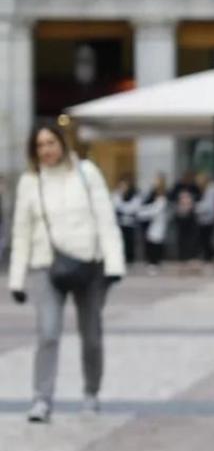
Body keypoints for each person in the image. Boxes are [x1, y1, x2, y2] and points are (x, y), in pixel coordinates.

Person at [8, 123, 127, 422]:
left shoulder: (87, 173)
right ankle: (41, 399)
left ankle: (91, 393)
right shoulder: (30, 182)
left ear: (62, 142)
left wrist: (114, 265)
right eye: (40, 145)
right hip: (45, 264)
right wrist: (16, 279)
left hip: (89, 264)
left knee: (91, 336)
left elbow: (105, 220)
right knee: (47, 332)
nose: (46, 150)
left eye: (51, 142)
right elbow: (21, 232)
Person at [136, 174, 169, 276]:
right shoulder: (153, 195)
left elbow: (154, 210)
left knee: (155, 243)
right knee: (152, 242)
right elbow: (149, 206)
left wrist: (141, 213)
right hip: (152, 225)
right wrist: (142, 211)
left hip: (157, 224)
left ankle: (155, 263)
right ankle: (153, 263)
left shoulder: (162, 199)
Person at [168, 170, 200, 267]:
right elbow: (170, 197)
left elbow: (199, 197)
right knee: (181, 237)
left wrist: (191, 201)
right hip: (180, 216)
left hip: (190, 216)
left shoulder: (193, 187)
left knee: (192, 237)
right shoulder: (177, 186)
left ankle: (192, 256)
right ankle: (182, 256)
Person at [193, 170, 214, 268]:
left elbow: (208, 207)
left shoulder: (211, 190)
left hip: (208, 219)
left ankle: (210, 258)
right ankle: (211, 258)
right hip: (204, 219)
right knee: (204, 240)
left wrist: (195, 207)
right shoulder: (207, 189)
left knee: (205, 240)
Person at [112, 174, 140, 265]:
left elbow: (132, 209)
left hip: (130, 223)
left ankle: (130, 260)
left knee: (129, 242)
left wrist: (122, 209)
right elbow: (115, 205)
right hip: (120, 223)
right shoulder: (117, 194)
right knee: (120, 242)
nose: (123, 188)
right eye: (121, 186)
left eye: (124, 186)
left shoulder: (134, 195)